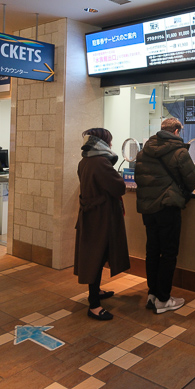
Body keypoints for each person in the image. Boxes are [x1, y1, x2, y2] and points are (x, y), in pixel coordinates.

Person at [135, 117, 195, 314]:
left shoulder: (143, 152)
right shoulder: (180, 152)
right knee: (168, 253)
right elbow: (192, 181)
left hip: (148, 209)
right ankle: (164, 299)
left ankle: (152, 294)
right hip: (168, 208)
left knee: (152, 251)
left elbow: (139, 178)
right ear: (177, 132)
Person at [75, 128, 131, 321]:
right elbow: (119, 187)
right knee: (96, 258)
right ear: (103, 141)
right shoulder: (100, 162)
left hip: (91, 215)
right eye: (110, 141)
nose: (111, 144)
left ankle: (96, 292)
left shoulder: (85, 160)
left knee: (93, 255)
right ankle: (94, 305)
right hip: (101, 217)